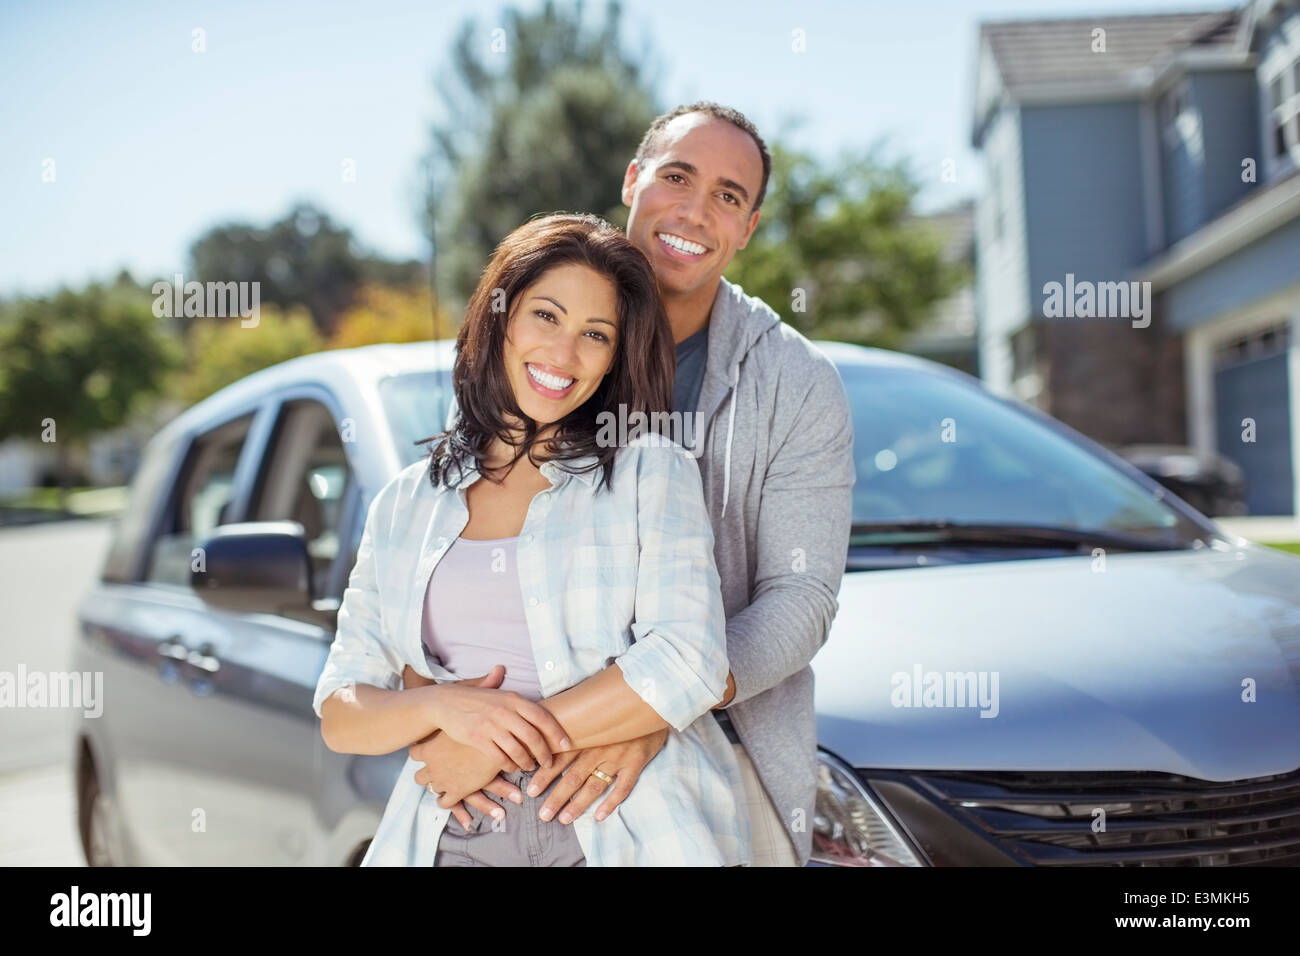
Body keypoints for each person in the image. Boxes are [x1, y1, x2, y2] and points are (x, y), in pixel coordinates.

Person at [411, 103, 855, 867]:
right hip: (502, 776)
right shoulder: (536, 352)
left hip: (718, 750)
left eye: (728, 195)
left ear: (747, 228)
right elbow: (434, 563)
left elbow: (801, 597)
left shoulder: (797, 383)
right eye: (676, 176)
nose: (694, 209)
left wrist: (653, 708)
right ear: (632, 180)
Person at [313, 212, 750, 866]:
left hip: (623, 827)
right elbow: (343, 712)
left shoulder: (649, 471)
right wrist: (440, 707)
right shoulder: (406, 503)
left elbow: (690, 661)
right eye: (546, 316)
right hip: (452, 832)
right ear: (501, 317)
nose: (563, 354)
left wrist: (494, 743)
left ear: (612, 360)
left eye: (594, 334)